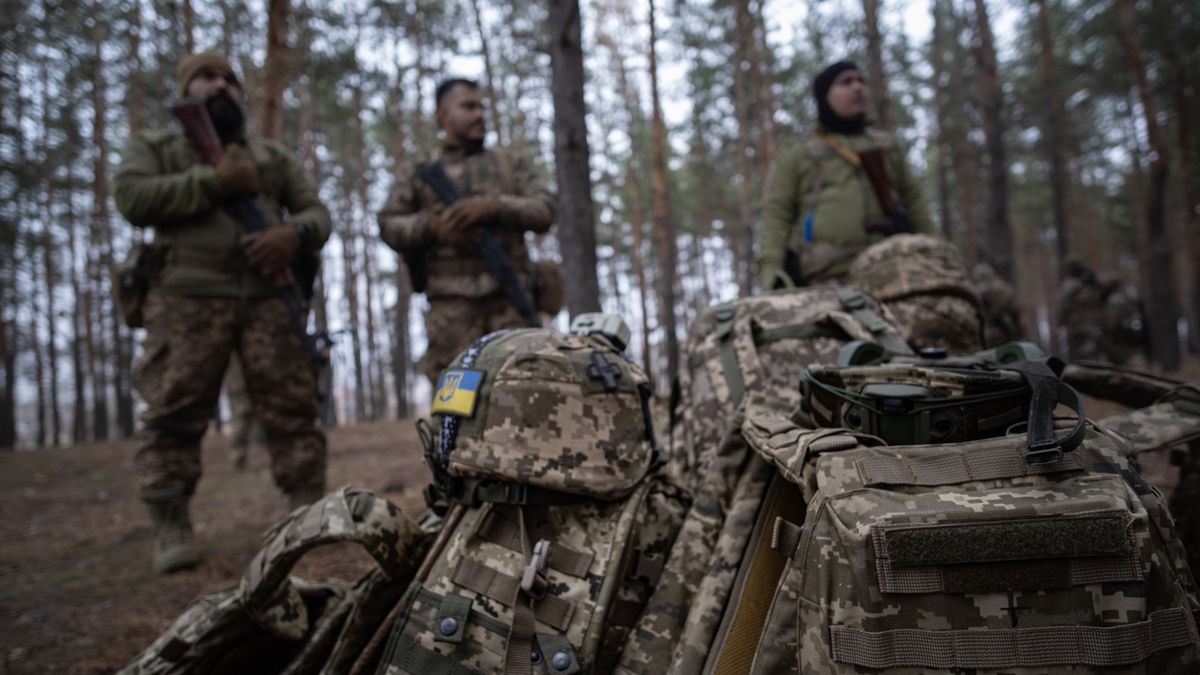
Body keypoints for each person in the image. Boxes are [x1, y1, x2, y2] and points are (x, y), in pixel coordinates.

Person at [114, 52, 331, 574]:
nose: (222, 86)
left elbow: (316, 213)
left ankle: (305, 515)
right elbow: (131, 197)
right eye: (208, 77)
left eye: (231, 80)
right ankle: (171, 523)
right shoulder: (158, 147)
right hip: (186, 298)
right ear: (186, 89)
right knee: (173, 409)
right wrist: (215, 184)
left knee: (292, 407)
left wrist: (291, 235)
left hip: (267, 301)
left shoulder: (271, 156)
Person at [378, 78, 559, 386]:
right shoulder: (420, 173)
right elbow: (389, 225)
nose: (479, 115)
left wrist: (496, 206)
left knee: (523, 400)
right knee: (458, 410)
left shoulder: (508, 165)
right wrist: (434, 226)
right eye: (468, 107)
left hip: (511, 304)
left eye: (481, 107)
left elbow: (545, 209)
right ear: (443, 115)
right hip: (451, 313)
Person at [759, 61, 935, 289]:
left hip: (897, 271)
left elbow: (914, 202)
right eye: (845, 82)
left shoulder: (887, 147)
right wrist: (772, 271)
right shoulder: (799, 156)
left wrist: (935, 251)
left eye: (861, 80)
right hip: (827, 278)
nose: (857, 87)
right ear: (824, 96)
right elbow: (776, 215)